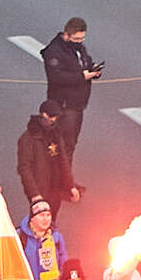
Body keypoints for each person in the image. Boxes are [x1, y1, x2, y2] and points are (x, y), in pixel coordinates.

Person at [43, 15, 102, 166]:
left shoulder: (78, 48)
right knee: (62, 146)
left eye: (82, 38)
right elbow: (56, 77)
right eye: (76, 39)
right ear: (67, 34)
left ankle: (65, 181)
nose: (79, 42)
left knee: (70, 145)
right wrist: (82, 76)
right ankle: (61, 183)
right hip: (64, 105)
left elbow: (85, 63)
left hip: (77, 104)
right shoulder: (54, 51)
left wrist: (93, 71)